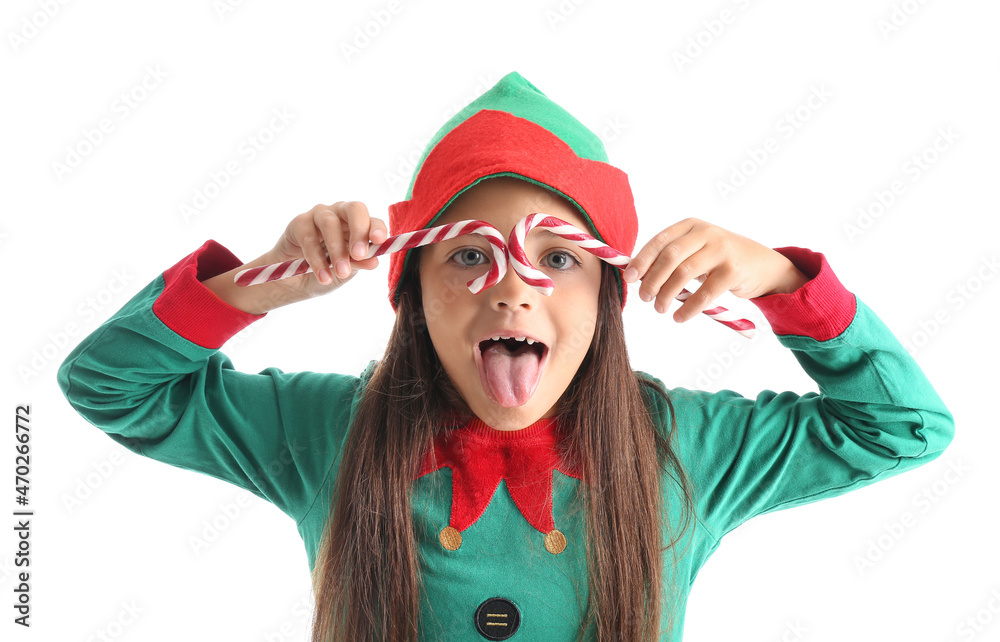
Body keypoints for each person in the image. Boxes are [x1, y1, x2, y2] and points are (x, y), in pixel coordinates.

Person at [57, 71, 955, 641]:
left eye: (558, 257)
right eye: (468, 254)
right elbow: (107, 384)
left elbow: (904, 428)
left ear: (609, 296)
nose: (512, 287)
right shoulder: (330, 431)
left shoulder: (685, 446)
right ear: (410, 291)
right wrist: (264, 282)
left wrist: (780, 278)